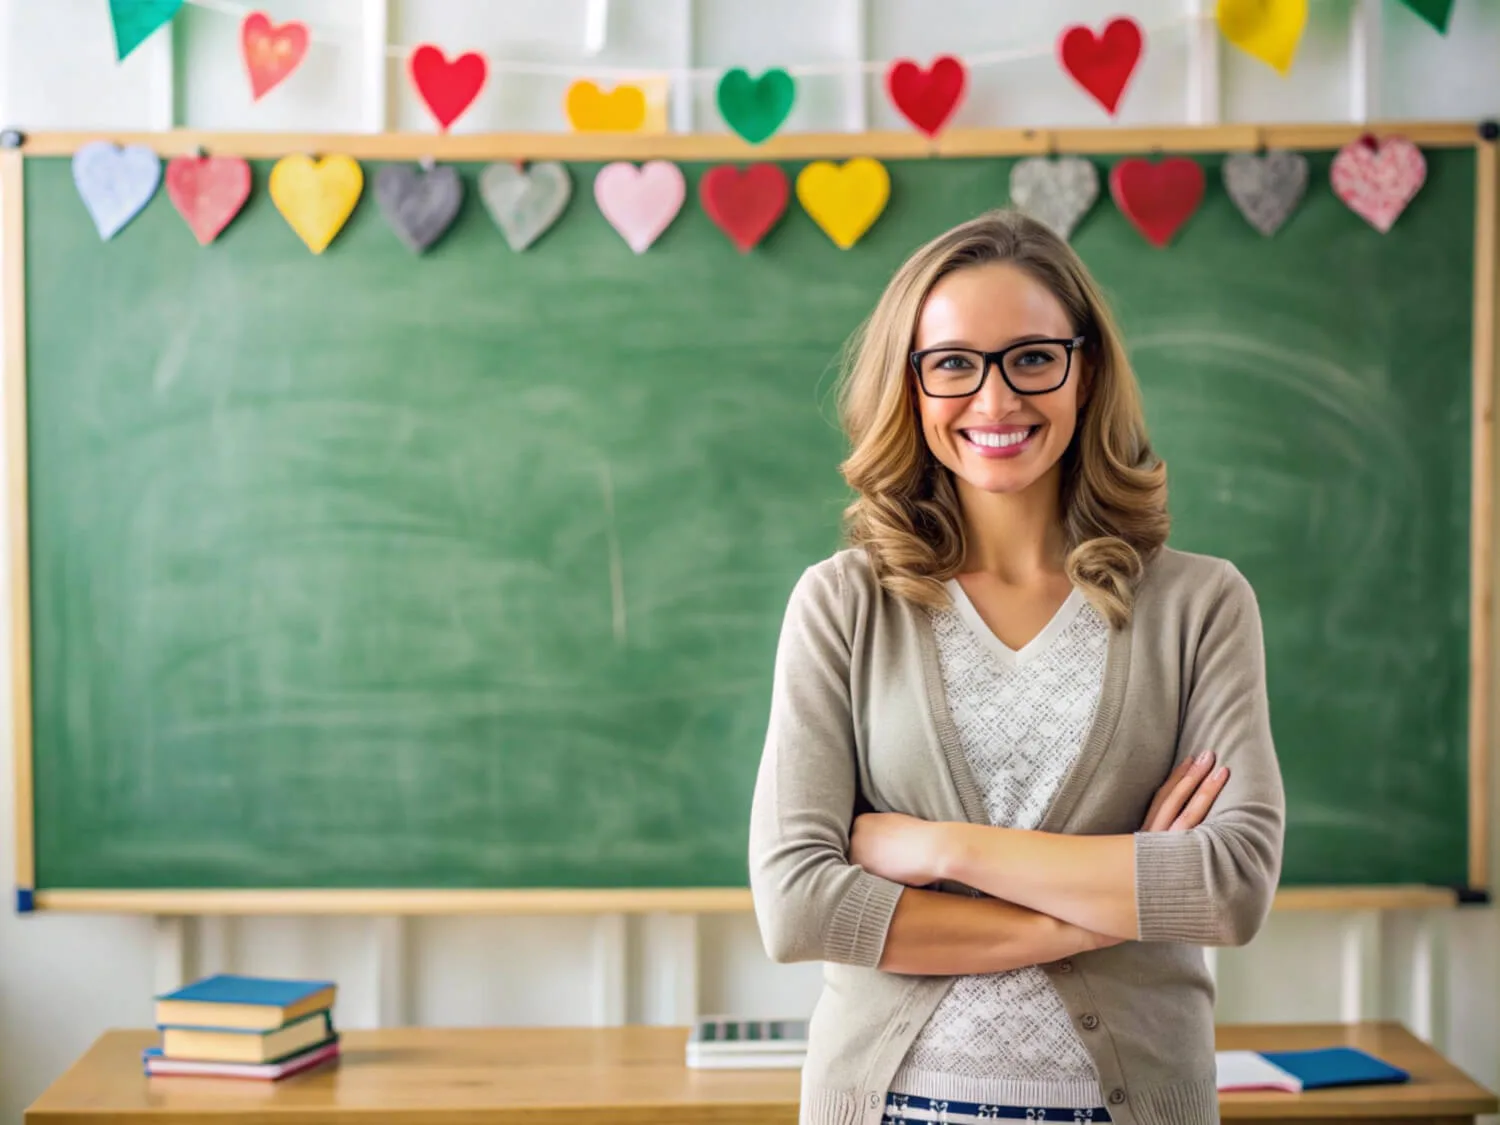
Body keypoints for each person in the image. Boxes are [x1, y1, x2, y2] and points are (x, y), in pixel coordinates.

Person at [748, 209, 1285, 1125]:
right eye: (953, 363)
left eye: (1033, 357)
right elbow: (800, 903)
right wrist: (1090, 914)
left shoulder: (1200, 604)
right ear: (910, 386)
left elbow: (1229, 885)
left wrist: (938, 848)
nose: (995, 401)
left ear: (1085, 372)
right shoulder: (843, 603)